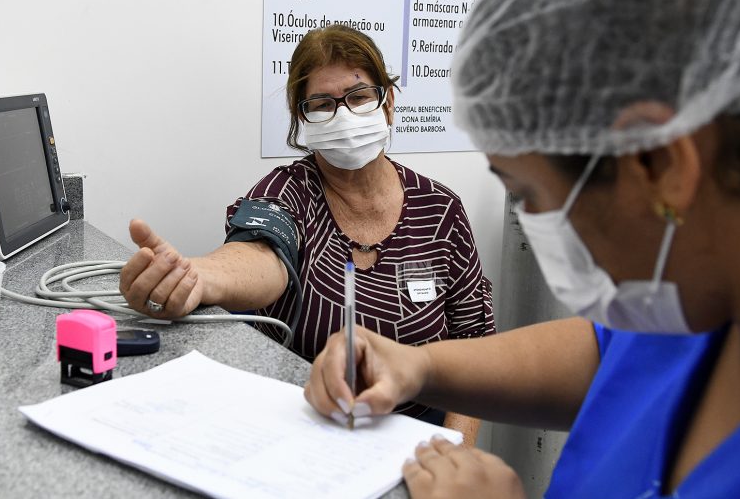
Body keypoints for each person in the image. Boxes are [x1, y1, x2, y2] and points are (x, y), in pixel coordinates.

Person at [303, 0, 740, 497]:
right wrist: (422, 365)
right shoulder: (704, 288)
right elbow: (613, 353)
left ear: (658, 164)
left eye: (529, 194)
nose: (535, 222)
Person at [118, 25, 496, 444]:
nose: (344, 115)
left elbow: (475, 350)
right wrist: (196, 277)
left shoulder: (441, 211)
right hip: (306, 436)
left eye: (358, 97)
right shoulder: (287, 192)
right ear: (303, 119)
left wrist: (454, 454)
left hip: (420, 440)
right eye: (322, 104)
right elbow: (262, 254)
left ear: (388, 103)